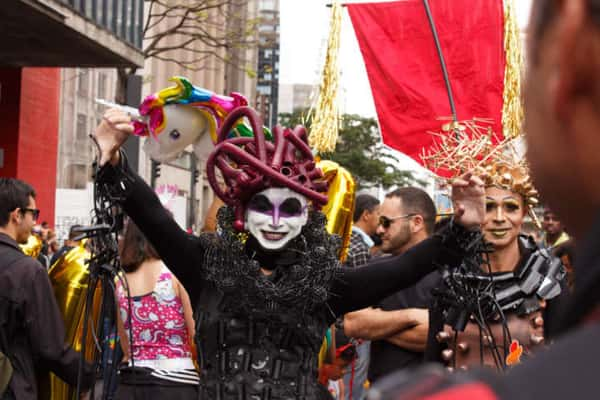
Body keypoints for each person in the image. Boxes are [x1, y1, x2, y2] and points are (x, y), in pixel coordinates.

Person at [92, 103, 485, 399]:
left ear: (306, 217)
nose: (276, 220)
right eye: (264, 206)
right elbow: (155, 220)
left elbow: (406, 268)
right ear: (242, 212)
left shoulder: (324, 283)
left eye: (289, 208)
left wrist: (462, 224)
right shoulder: (208, 267)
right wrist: (113, 161)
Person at [424, 145, 567, 370]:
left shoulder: (547, 274)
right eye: (488, 207)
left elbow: (568, 359)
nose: (499, 218)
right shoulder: (451, 279)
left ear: (524, 213)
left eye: (510, 207)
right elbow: (432, 364)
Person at [0, 178, 94, 399]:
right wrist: (88, 376)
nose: (35, 221)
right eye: (34, 214)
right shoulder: (27, 271)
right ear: (17, 215)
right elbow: (50, 347)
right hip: (12, 387)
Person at [343, 188, 439, 384]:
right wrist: (411, 316)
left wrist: (378, 324)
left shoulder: (448, 272)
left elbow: (437, 337)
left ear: (416, 223)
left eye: (386, 222)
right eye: (379, 222)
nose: (379, 230)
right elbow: (353, 323)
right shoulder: (375, 267)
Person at [115, 218, 198, 399]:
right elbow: (196, 335)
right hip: (176, 383)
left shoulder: (120, 282)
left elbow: (125, 346)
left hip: (132, 383)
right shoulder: (175, 274)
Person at [338, 194, 380, 400]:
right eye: (379, 215)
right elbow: (365, 293)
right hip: (355, 336)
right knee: (352, 387)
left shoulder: (344, 240)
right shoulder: (359, 247)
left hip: (338, 334)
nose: (381, 223)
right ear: (366, 215)